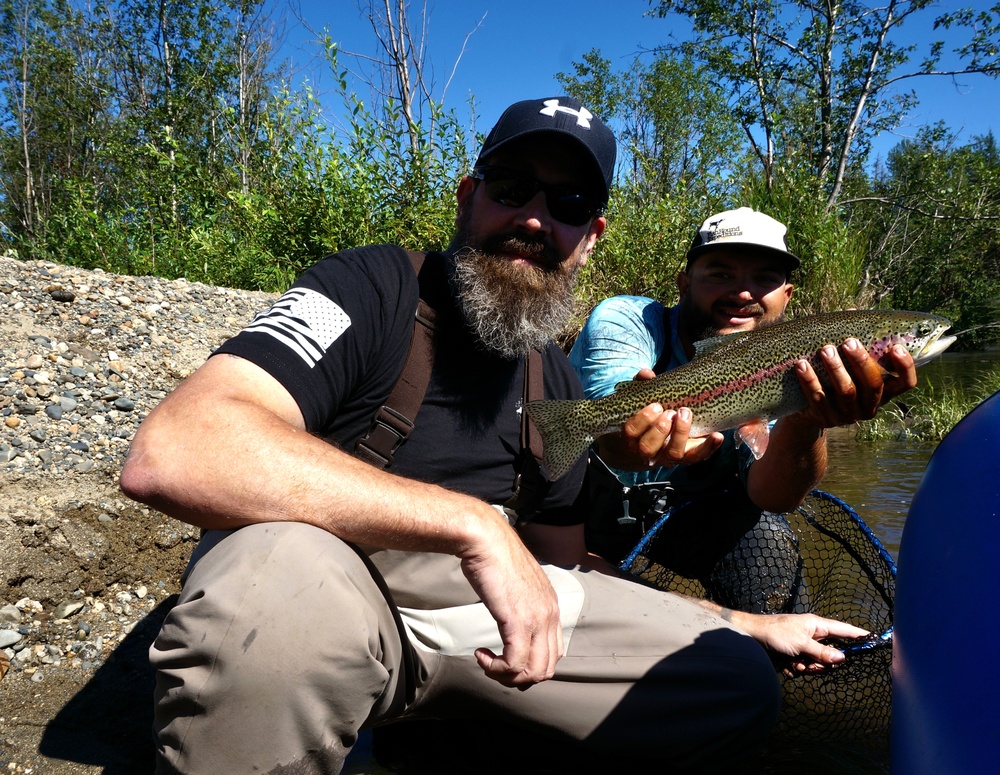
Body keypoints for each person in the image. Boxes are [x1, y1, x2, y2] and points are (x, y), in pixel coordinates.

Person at [120, 98, 870, 774]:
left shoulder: (558, 385)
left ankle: (446, 735)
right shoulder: (368, 287)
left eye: (569, 202)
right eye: (512, 188)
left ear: (591, 236)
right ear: (468, 196)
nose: (536, 218)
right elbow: (179, 447)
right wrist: (472, 523)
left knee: (731, 684)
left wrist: (741, 622)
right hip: (327, 582)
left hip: (476, 627)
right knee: (271, 601)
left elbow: (569, 576)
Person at [569, 207, 918, 608]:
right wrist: (621, 436)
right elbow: (607, 408)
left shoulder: (793, 366)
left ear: (786, 296)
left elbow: (774, 497)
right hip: (582, 520)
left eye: (765, 278)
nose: (743, 293)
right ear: (683, 284)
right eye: (721, 274)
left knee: (768, 538)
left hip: (703, 526)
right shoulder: (627, 321)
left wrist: (807, 422)